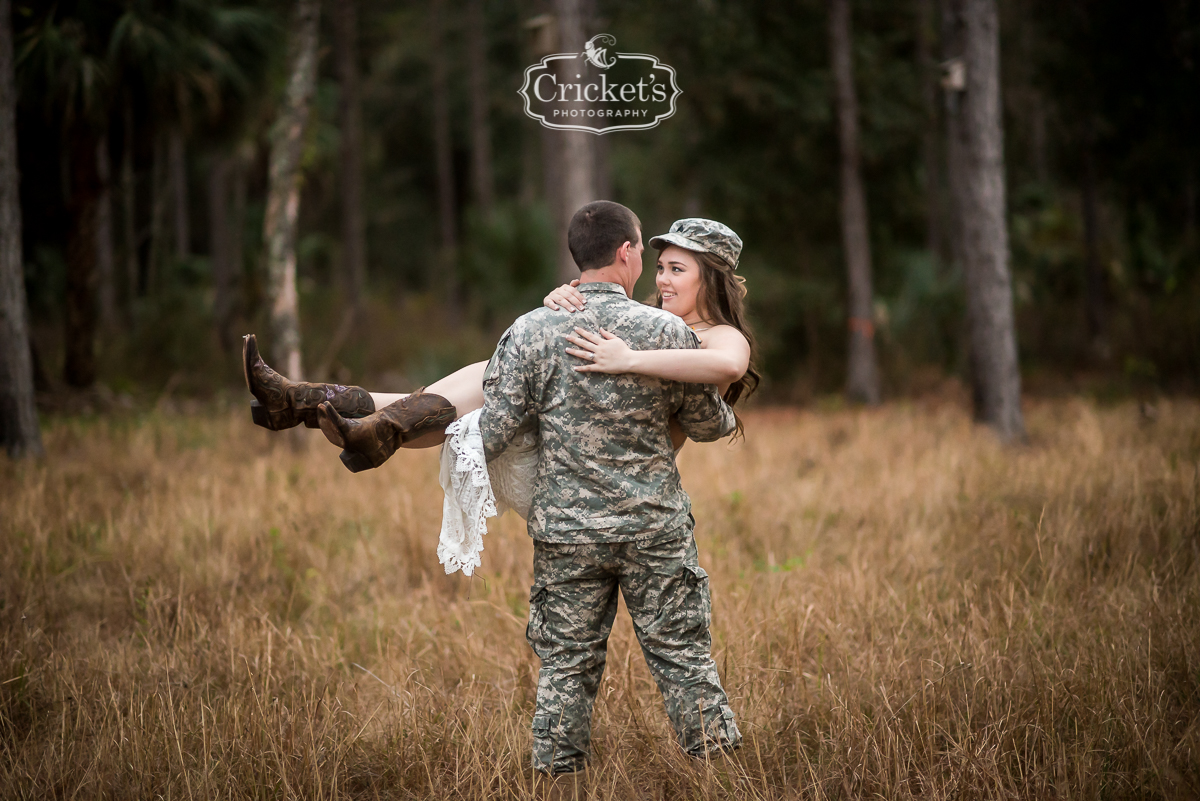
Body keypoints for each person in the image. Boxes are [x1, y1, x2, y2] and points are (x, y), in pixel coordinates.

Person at [474, 201, 743, 780]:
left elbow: (493, 432)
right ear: (626, 253)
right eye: (645, 254)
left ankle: (558, 782)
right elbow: (703, 422)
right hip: (653, 526)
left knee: (566, 668)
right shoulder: (667, 331)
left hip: (567, 534)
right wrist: (727, 418)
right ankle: (725, 780)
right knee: (684, 659)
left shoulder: (531, 330)